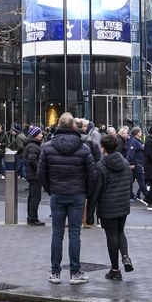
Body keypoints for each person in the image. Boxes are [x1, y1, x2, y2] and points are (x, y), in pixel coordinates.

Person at [38, 113, 96, 284]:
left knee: (57, 233)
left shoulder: (47, 147)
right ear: (73, 127)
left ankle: (55, 273)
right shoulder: (84, 147)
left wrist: (50, 189)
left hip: (57, 193)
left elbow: (41, 173)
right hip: (77, 194)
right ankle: (74, 273)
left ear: (58, 125)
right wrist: (87, 192)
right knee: (74, 233)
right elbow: (93, 174)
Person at [93, 133, 134, 280]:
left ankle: (115, 270)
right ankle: (125, 256)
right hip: (122, 204)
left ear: (103, 148)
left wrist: (90, 211)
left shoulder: (100, 166)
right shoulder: (124, 163)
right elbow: (129, 183)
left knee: (111, 236)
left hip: (107, 206)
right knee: (120, 232)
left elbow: (96, 190)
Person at [24, 126, 45, 226]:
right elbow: (32, 160)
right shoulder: (33, 146)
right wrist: (40, 169)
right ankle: (33, 218)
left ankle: (31, 217)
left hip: (32, 174)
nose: (42, 135)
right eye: (40, 133)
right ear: (35, 135)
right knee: (35, 197)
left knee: (32, 196)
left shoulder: (32, 145)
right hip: (34, 175)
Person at [125, 126, 146, 201]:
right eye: (140, 132)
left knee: (132, 180)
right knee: (141, 180)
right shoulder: (134, 141)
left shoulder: (136, 140)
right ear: (136, 133)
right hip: (137, 164)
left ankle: (130, 194)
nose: (141, 133)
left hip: (138, 163)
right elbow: (131, 153)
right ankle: (147, 196)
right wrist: (132, 163)